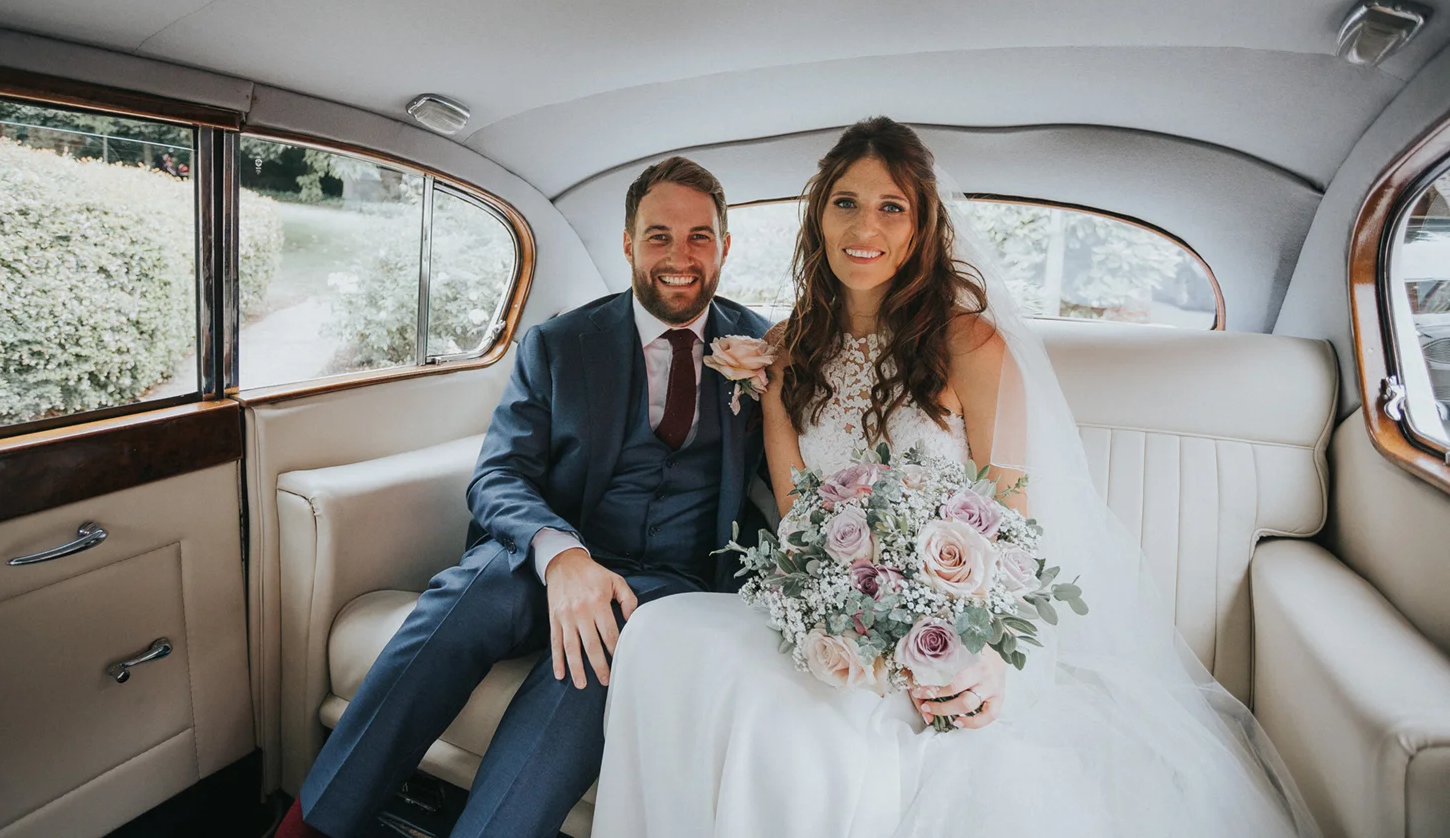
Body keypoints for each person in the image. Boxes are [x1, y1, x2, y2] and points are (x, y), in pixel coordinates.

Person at [591, 117, 1320, 837]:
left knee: (812, 742)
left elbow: (1012, 521)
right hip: (830, 616)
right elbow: (797, 521)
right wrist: (833, 614)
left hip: (953, 626)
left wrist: (992, 655)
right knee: (660, 636)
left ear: (920, 227)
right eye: (845, 203)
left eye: (891, 207)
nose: (864, 227)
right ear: (819, 219)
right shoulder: (786, 351)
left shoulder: (970, 345)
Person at [278, 156, 771, 838]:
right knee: (468, 598)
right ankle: (311, 825)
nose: (679, 257)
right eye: (659, 235)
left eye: (700, 237)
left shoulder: (769, 350)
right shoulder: (560, 344)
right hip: (548, 556)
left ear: (725, 246)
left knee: (589, 668)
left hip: (667, 585)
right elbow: (498, 475)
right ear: (628, 243)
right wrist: (562, 555)